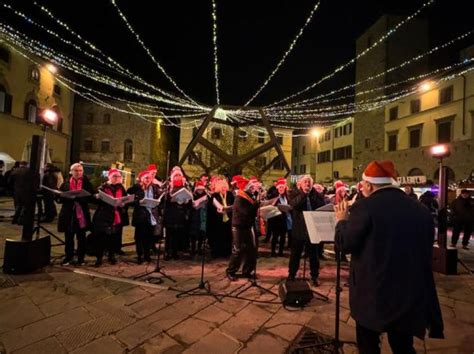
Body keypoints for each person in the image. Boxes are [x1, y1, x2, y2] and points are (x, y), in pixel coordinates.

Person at [334, 160, 444, 354]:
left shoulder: (365, 207)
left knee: (368, 345)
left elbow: (345, 244)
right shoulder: (420, 209)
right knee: (403, 346)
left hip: (374, 292)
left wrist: (342, 222)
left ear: (368, 184)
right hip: (408, 292)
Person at [287, 175, 325, 286]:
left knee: (314, 254)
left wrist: (311, 194)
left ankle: (314, 276)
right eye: (305, 182)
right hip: (299, 228)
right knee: (295, 254)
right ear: (300, 184)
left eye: (309, 182)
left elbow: (321, 205)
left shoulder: (316, 194)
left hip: (312, 228)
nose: (307, 184)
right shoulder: (294, 193)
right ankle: (291, 275)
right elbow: (295, 204)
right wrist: (304, 194)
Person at [57, 163, 94, 265]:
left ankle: (80, 258)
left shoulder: (86, 183)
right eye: (76, 170)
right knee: (68, 237)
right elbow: (60, 198)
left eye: (80, 171)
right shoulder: (66, 184)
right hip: (68, 213)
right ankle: (68, 257)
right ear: (71, 172)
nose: (78, 173)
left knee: (81, 237)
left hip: (81, 213)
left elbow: (91, 196)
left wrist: (81, 198)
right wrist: (60, 196)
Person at [92, 168, 129, 266]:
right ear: (109, 177)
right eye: (114, 176)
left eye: (118, 176)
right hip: (104, 216)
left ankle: (111, 256)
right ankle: (99, 258)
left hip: (116, 216)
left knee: (113, 238)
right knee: (102, 238)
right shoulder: (103, 187)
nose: (117, 178)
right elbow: (94, 200)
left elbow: (125, 199)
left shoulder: (121, 187)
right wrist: (96, 197)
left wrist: (123, 204)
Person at [226, 176, 260, 281]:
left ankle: (247, 271)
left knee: (251, 250)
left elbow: (252, 213)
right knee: (238, 250)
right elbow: (246, 211)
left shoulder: (249, 196)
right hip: (238, 227)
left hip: (248, 226)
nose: (251, 187)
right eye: (249, 186)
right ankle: (231, 271)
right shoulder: (240, 197)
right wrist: (256, 203)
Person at [128, 170, 163, 264]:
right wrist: (138, 202)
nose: (148, 180)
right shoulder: (136, 188)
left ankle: (147, 255)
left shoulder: (154, 188)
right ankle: (140, 255)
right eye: (146, 178)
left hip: (151, 215)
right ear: (141, 179)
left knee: (149, 237)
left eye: (150, 178)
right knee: (139, 237)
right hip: (141, 215)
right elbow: (129, 200)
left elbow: (159, 199)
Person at [163, 168, 191, 260]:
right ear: (172, 177)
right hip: (170, 213)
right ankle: (167, 252)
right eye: (176, 175)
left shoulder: (184, 186)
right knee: (169, 235)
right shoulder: (169, 186)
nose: (178, 177)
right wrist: (169, 198)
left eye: (179, 175)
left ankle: (175, 252)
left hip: (180, 214)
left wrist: (187, 200)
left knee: (177, 235)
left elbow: (189, 200)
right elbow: (163, 201)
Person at [208, 177, 234, 258]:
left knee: (227, 236)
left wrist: (228, 209)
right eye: (222, 187)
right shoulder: (214, 195)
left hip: (228, 220)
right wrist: (217, 210)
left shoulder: (230, 195)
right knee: (217, 236)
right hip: (217, 220)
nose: (224, 188)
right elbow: (211, 208)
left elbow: (234, 206)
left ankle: (226, 253)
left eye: (225, 187)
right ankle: (216, 252)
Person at [268, 178, 292, 257]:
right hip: (276, 219)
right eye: (280, 187)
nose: (281, 189)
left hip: (285, 219)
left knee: (283, 237)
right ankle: (272, 252)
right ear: (277, 188)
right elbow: (270, 206)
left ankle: (280, 252)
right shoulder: (274, 196)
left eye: (283, 187)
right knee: (275, 236)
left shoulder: (287, 196)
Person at [189, 180, 208, 256]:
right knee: (193, 235)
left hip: (202, 217)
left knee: (201, 234)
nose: (200, 191)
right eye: (199, 189)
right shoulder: (192, 196)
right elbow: (191, 207)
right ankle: (193, 249)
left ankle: (199, 249)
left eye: (202, 189)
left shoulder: (206, 196)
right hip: (194, 217)